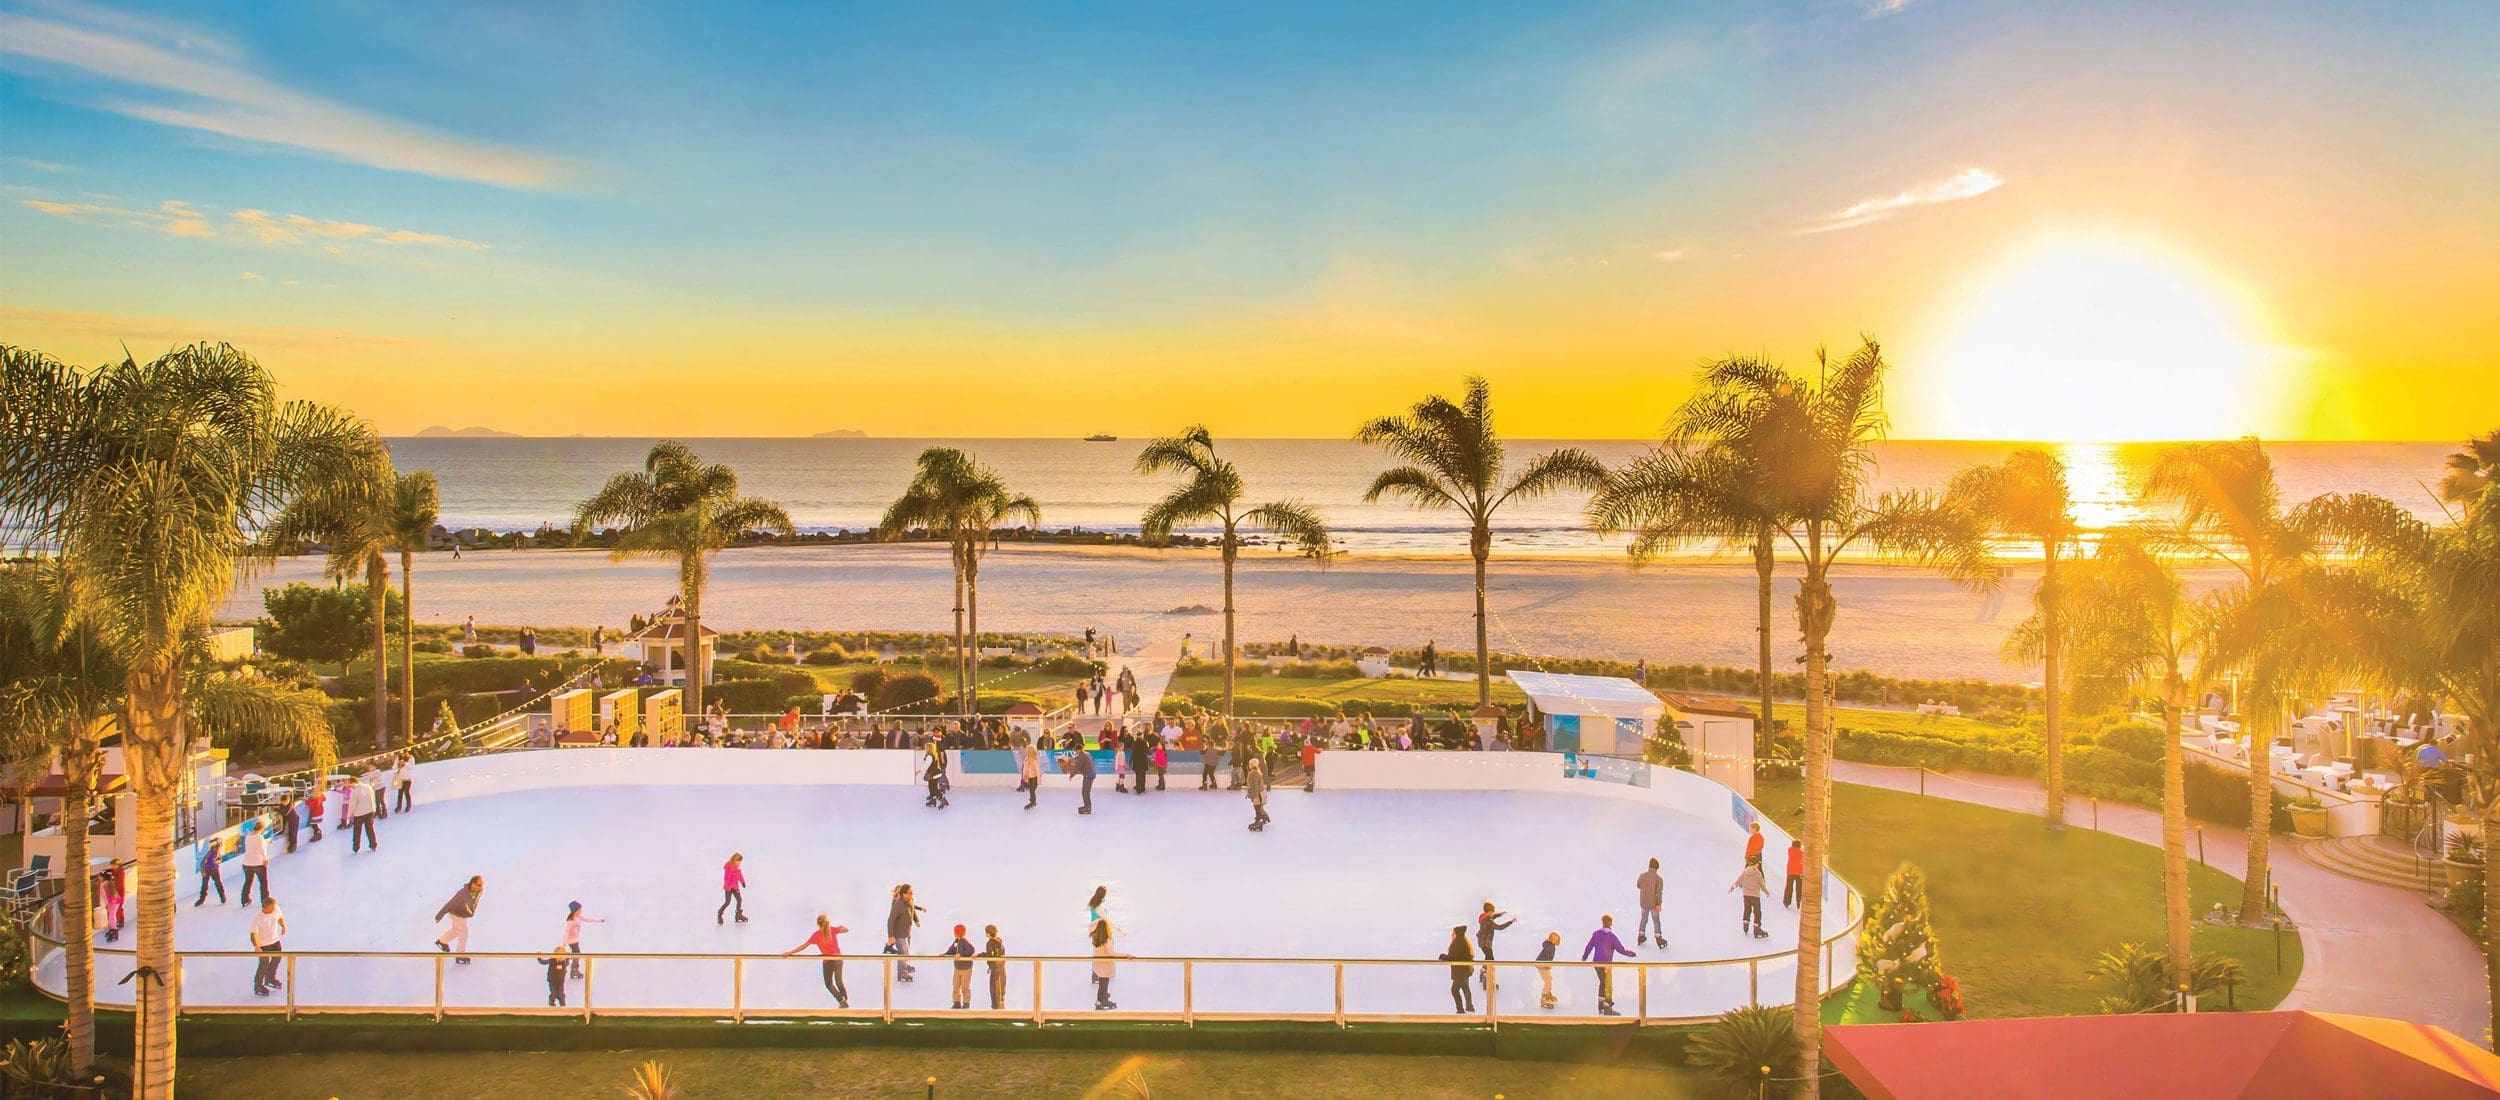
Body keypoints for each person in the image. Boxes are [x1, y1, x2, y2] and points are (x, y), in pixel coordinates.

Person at [784, 913, 851, 1007]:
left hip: (828, 961)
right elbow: (846, 930)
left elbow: (804, 946)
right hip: (838, 958)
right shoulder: (832, 929)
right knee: (839, 980)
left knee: (829, 983)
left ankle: (841, 1000)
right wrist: (840, 926)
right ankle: (844, 999)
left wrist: (790, 952)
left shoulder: (816, 935)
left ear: (818, 924)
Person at [1580, 915, 1635, 1016]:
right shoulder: (1611, 936)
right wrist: (1631, 954)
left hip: (1596, 963)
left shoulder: (1596, 934)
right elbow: (1620, 949)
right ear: (1611, 923)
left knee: (1602, 983)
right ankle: (1607, 1007)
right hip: (1606, 963)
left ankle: (1601, 1006)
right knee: (1608, 985)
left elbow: (1589, 946)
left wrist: (1585, 956)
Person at [435, 875, 483, 963]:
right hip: (456, 914)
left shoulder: (478, 890)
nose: (481, 887)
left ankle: (442, 941)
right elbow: (449, 904)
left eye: (482, 884)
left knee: (457, 929)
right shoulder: (462, 894)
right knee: (464, 933)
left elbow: (474, 901)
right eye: (479, 885)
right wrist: (439, 916)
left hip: (462, 913)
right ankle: (460, 955)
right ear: (473, 884)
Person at [249, 895, 287, 997]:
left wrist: (283, 926)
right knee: (263, 964)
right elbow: (253, 934)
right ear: (265, 907)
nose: (274, 908)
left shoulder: (276, 909)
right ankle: (258, 985)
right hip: (263, 944)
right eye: (272, 907)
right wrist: (257, 946)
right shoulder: (258, 919)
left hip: (275, 941)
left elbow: (279, 917)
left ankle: (270, 978)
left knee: (277, 959)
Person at [887, 884, 924, 982]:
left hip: (907, 931)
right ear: (903, 894)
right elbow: (891, 921)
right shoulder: (898, 905)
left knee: (906, 951)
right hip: (899, 934)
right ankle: (902, 974)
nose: (912, 894)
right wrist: (891, 935)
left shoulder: (910, 900)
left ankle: (905, 965)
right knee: (903, 952)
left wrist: (916, 920)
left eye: (912, 892)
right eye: (910, 893)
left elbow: (912, 910)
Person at [1089, 920, 1128, 1010]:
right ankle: (1100, 1002)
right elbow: (1111, 953)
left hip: (1098, 964)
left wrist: (1101, 920)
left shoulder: (1095, 937)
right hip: (1105, 965)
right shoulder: (1106, 939)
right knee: (1103, 984)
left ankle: (1103, 1000)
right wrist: (1126, 955)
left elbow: (1090, 926)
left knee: (1102, 983)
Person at [1474, 902, 1514, 988]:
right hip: (1486, 943)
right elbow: (1500, 927)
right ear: (1488, 912)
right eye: (1492, 911)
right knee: (1491, 960)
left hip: (1481, 942)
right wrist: (1511, 922)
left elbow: (1492, 917)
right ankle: (1488, 978)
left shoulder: (1483, 917)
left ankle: (1483, 970)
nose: (1493, 912)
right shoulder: (1489, 921)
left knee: (1488, 958)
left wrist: (1500, 914)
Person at [562, 901, 605, 978]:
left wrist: (599, 920)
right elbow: (567, 932)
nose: (580, 911)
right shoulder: (571, 921)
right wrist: (564, 943)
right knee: (577, 953)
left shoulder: (578, 917)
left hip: (576, 939)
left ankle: (573, 969)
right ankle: (572, 965)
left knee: (577, 954)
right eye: (579, 910)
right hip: (571, 940)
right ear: (575, 910)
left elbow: (588, 919)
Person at [1439, 925, 1476, 1014]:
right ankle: (1469, 1007)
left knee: (1454, 989)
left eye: (1453, 933)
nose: (1452, 934)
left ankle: (1460, 1009)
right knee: (1465, 987)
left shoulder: (1457, 944)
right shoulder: (1464, 943)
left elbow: (1452, 957)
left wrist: (1443, 956)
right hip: (1465, 970)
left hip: (1460, 971)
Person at [1731, 860, 1770, 938]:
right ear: (1755, 864)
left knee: (1747, 909)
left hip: (1746, 895)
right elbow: (1762, 884)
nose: (1758, 865)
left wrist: (1733, 887)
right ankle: (1757, 928)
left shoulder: (1745, 872)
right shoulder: (1757, 873)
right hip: (1755, 896)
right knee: (1757, 912)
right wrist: (1766, 892)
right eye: (1757, 864)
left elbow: (1739, 881)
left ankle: (1745, 925)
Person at [238, 822, 272, 905]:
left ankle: (244, 899)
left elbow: (257, 845)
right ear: (262, 829)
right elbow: (261, 849)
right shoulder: (259, 837)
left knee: (248, 881)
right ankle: (265, 901)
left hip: (247, 863)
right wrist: (265, 859)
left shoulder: (248, 837)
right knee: (263, 882)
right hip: (257, 863)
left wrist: (267, 841)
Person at [945, 924, 978, 1009]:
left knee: (965, 986)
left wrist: (961, 955)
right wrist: (945, 954)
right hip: (957, 968)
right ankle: (956, 1002)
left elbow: (971, 950)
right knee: (955, 985)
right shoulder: (956, 941)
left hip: (966, 968)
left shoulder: (964, 941)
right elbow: (952, 949)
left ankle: (966, 1003)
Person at [1636, 858, 1666, 947]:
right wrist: (1658, 904)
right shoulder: (1659, 879)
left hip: (1643, 902)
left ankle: (1641, 936)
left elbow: (1638, 885)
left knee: (1644, 918)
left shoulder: (1642, 875)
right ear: (1657, 867)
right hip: (1653, 904)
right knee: (1656, 920)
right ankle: (1658, 938)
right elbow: (1658, 893)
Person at [348, 775, 379, 853]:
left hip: (359, 814)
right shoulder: (368, 786)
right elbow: (373, 797)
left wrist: (348, 816)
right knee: (370, 829)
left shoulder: (354, 792)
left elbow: (352, 804)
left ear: (353, 783)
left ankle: (356, 847)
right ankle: (373, 844)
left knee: (357, 831)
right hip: (370, 811)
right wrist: (374, 808)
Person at [193, 839, 227, 907]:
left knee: (218, 884)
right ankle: (201, 899)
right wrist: (203, 871)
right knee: (204, 886)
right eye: (216, 847)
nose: (217, 848)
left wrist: (217, 861)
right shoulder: (209, 853)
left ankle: (222, 897)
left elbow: (220, 859)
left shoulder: (218, 852)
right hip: (207, 870)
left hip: (215, 871)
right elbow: (202, 862)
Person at [982, 924, 1008, 1010]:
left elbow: (990, 954)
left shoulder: (990, 942)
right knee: (1001, 987)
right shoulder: (999, 942)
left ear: (988, 933)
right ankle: (1001, 1005)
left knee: (994, 988)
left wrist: (978, 955)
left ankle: (996, 1007)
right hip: (1001, 967)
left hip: (995, 968)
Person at [718, 854, 749, 925]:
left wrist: (743, 882)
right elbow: (727, 878)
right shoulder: (729, 867)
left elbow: (740, 875)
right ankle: (720, 914)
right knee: (727, 902)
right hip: (728, 887)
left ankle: (738, 915)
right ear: (734, 860)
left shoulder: (737, 867)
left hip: (735, 887)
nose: (739, 863)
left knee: (739, 899)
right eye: (738, 861)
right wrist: (729, 886)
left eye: (740, 862)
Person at [1534, 931, 1561, 1009]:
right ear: (1553, 940)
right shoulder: (1549, 947)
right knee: (1548, 981)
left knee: (1549, 979)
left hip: (1543, 964)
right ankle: (1544, 997)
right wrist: (1546, 966)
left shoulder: (1550, 946)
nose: (1558, 943)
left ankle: (1548, 994)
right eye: (1557, 941)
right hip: (1541, 965)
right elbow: (1546, 957)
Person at [1244, 755, 1271, 831]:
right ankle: (1264, 817)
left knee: (1257, 808)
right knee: (1260, 808)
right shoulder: (1256, 771)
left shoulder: (1253, 773)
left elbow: (1256, 785)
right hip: (1261, 792)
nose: (1248, 765)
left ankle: (1258, 822)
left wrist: (1256, 796)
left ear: (1252, 765)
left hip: (1259, 793)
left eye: (1249, 764)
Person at [1016, 733, 1042, 810]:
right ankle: (1032, 800)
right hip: (1029, 777)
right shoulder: (1027, 758)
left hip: (1034, 777)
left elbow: (1037, 770)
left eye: (1028, 750)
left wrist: (1038, 780)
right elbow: (1025, 768)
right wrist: (1025, 776)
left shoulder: (1034, 760)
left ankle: (1033, 801)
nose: (1026, 751)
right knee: (1031, 790)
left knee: (1031, 790)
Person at [924, 740, 950, 809]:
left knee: (934, 788)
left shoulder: (932, 755)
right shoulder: (932, 754)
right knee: (931, 787)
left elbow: (928, 765)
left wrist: (919, 770)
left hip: (935, 774)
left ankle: (942, 800)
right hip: (933, 773)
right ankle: (933, 801)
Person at [1072, 742, 1097, 815]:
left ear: (1079, 750)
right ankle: (1087, 806)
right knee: (1086, 791)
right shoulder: (1087, 754)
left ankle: (1087, 807)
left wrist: (1071, 775)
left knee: (1085, 792)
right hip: (1092, 774)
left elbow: (1077, 768)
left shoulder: (1081, 756)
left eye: (1076, 750)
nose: (1075, 752)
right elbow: (1079, 759)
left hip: (1088, 775)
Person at [1783, 840, 1806, 909]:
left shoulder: (1790, 850)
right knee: (1799, 888)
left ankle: (1786, 901)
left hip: (1790, 872)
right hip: (1799, 873)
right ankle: (1798, 902)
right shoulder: (1802, 853)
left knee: (1789, 887)